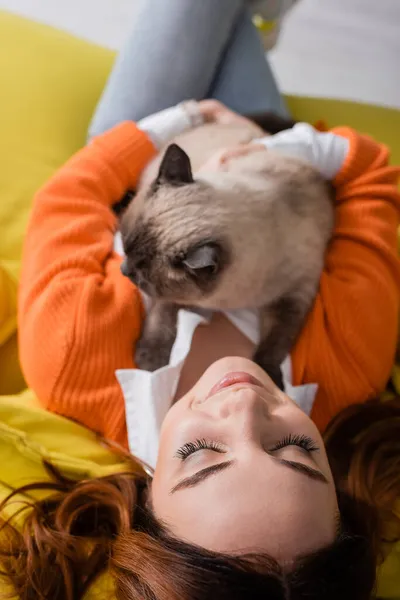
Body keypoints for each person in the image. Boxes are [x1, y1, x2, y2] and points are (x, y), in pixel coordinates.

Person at [1, 1, 400, 598]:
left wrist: (175, 120)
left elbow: (69, 197)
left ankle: (251, 21)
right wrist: (287, 150)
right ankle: (252, 23)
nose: (243, 408)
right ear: (336, 485)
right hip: (267, 163)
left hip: (144, 174)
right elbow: (372, 178)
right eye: (294, 448)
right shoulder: (352, 366)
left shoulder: (70, 365)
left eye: (199, 452)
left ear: (147, 502)